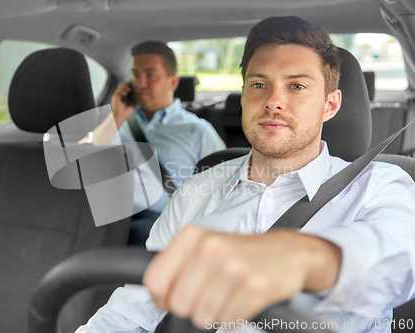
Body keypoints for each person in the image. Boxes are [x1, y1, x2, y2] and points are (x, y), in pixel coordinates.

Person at [76, 16, 415, 333]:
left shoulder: (381, 185)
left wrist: (303, 258)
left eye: (296, 86)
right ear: (243, 97)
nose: (273, 101)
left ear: (330, 104)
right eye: (258, 84)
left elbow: (399, 260)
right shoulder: (195, 192)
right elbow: (133, 308)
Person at [79, 41, 225, 244]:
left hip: (158, 224)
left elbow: (223, 190)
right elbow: (79, 162)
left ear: (172, 82)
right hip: (102, 218)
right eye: (136, 75)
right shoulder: (115, 121)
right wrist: (117, 117)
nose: (140, 83)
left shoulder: (197, 131)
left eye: (150, 75)